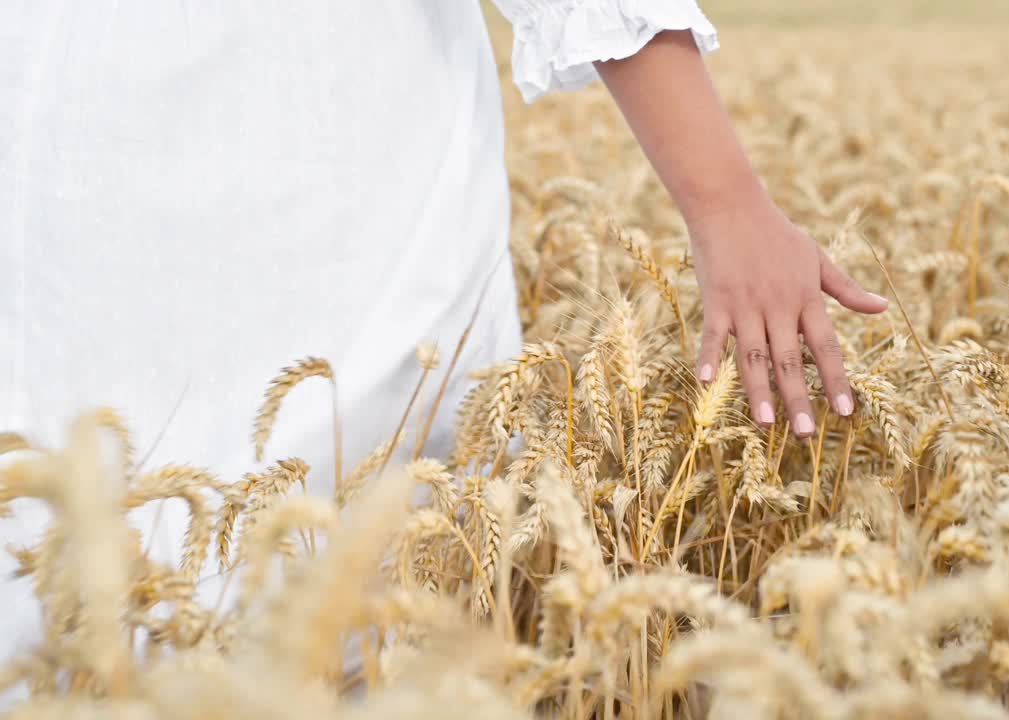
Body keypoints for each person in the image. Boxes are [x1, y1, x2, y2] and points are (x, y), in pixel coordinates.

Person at [0, 0, 888, 684]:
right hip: (287, 187)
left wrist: (727, 204)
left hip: (162, 185)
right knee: (358, 613)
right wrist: (723, 201)